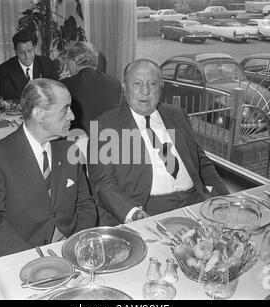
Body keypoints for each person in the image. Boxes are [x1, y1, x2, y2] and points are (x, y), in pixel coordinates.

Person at [0, 78, 98, 291]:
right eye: (65, 109)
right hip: (16, 259)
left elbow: (85, 203)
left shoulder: (71, 151)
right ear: (39, 113)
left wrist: (76, 244)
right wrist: (33, 259)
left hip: (68, 256)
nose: (73, 116)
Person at [87, 59, 229, 226]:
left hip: (196, 200)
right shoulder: (105, 125)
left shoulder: (177, 115)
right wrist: (134, 213)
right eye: (137, 83)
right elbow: (103, 184)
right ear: (124, 87)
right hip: (148, 207)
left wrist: (224, 197)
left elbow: (201, 161)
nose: (145, 91)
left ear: (161, 86)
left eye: (152, 83)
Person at [61, 41, 122, 134]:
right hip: (109, 139)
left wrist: (58, 84)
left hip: (75, 142)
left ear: (72, 63)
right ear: (96, 62)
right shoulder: (115, 83)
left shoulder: (63, 86)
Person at [0, 30, 58, 101]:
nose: (27, 56)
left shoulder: (47, 63)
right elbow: (7, 95)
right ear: (15, 51)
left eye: (30, 51)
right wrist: (39, 92)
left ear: (35, 48)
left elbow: (55, 88)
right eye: (21, 52)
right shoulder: (5, 69)